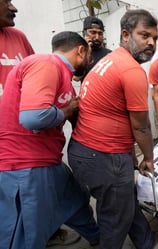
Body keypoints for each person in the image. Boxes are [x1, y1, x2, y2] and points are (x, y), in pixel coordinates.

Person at [0, 31, 100, 249]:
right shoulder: (46, 63)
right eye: (89, 57)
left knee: (76, 199)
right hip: (25, 165)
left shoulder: (61, 75)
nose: (90, 62)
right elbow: (33, 117)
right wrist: (66, 111)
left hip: (48, 159)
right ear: (80, 50)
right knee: (27, 234)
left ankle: (96, 237)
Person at [68, 9, 158, 249]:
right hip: (104, 157)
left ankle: (145, 242)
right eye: (145, 35)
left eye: (154, 38)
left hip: (84, 150)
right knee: (115, 221)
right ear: (126, 35)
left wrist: (128, 152)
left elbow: (113, 114)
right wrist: (148, 158)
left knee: (124, 204)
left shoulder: (107, 60)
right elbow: (140, 127)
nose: (151, 42)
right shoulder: (131, 70)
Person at [81, 15, 111, 80]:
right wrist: (86, 51)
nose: (97, 37)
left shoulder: (110, 54)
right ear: (84, 34)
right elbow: (76, 77)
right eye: (93, 33)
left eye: (100, 33)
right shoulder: (80, 54)